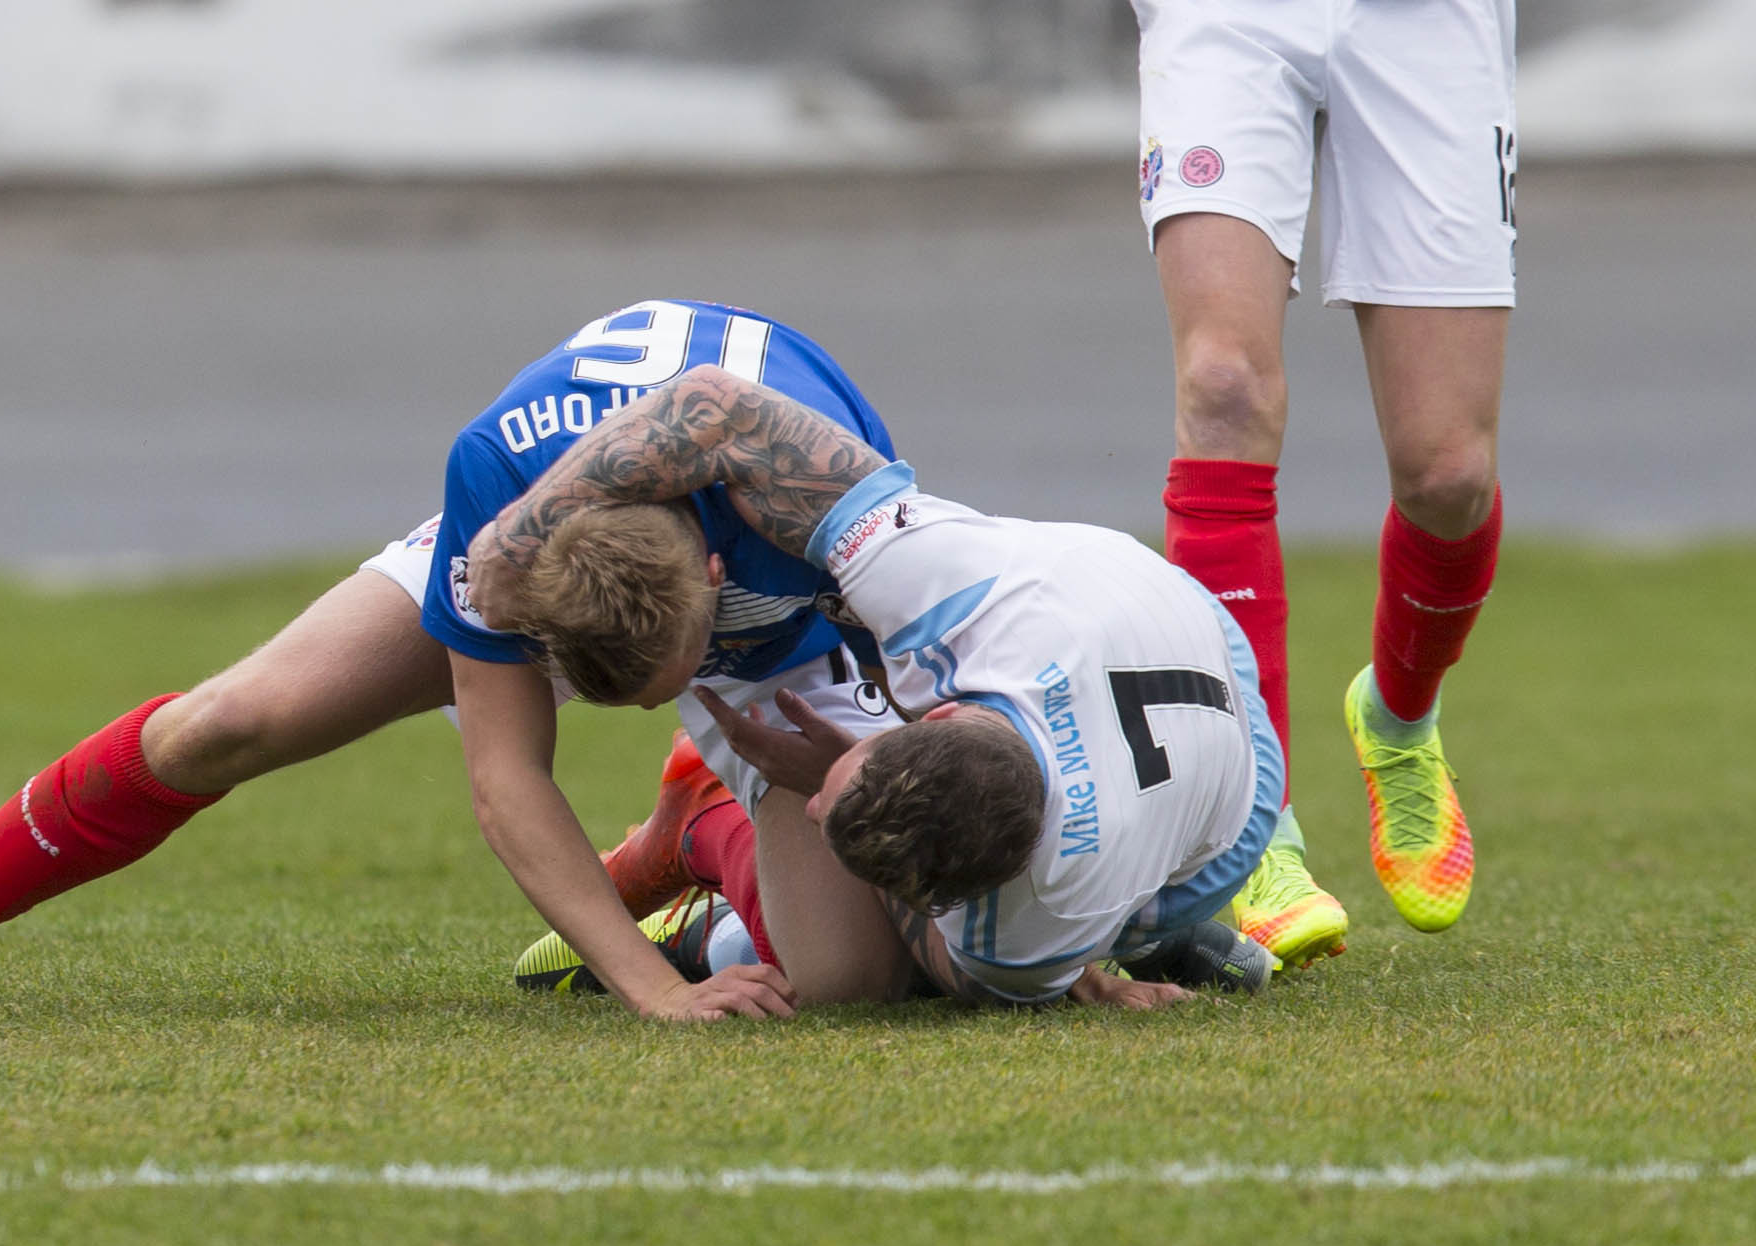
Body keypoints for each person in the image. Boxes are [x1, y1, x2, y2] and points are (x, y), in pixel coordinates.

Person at [0, 298, 895, 1022]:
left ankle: (699, 831)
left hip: (780, 617)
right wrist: (645, 995)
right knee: (226, 723)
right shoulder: (501, 495)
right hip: (568, 542)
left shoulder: (825, 499)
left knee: (850, 986)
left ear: (713, 585)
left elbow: (980, 671)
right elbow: (507, 776)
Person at [468, 365, 1286, 1008]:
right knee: (850, 970)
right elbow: (715, 405)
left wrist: (1079, 973)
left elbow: (978, 958)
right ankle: (711, 827)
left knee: (858, 983)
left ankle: (709, 849)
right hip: (1180, 631)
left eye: (821, 800)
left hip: (1224, 798)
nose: (817, 802)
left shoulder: (1019, 940)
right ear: (949, 708)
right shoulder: (940, 581)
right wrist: (512, 540)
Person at [1133, 1, 1515, 940]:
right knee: (1223, 385)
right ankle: (1251, 829)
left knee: (1447, 471)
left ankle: (1398, 718)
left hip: (1426, 24)